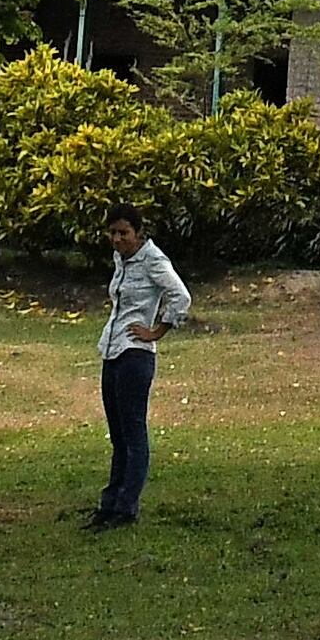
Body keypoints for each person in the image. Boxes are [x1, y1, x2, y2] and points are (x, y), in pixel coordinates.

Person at [88, 204, 190, 531]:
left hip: (136, 354)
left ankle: (127, 506)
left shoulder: (153, 260)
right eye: (113, 233)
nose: (117, 239)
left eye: (124, 233)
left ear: (138, 233)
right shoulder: (122, 259)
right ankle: (110, 503)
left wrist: (158, 330)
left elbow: (180, 296)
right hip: (113, 349)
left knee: (133, 433)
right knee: (117, 434)